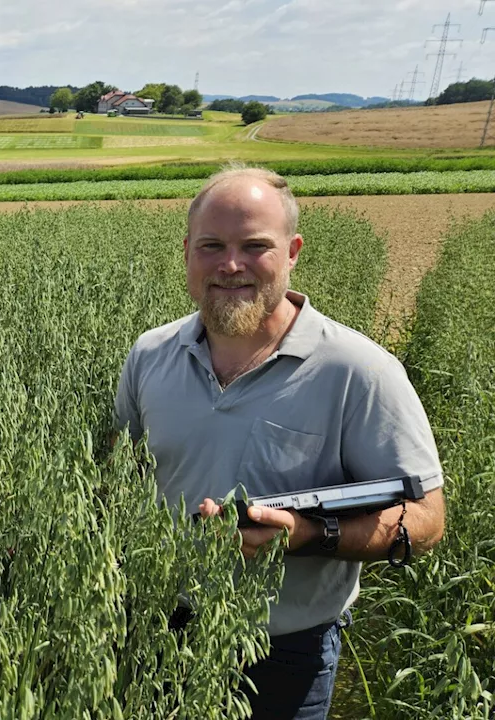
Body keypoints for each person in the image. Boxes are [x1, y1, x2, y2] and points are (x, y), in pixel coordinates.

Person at [113, 165, 446, 720]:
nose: (231, 265)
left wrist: (308, 534)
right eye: (212, 246)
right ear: (187, 252)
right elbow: (115, 479)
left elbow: (426, 518)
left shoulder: (358, 371)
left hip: (284, 653)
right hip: (154, 629)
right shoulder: (150, 355)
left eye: (255, 246)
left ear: (292, 251)